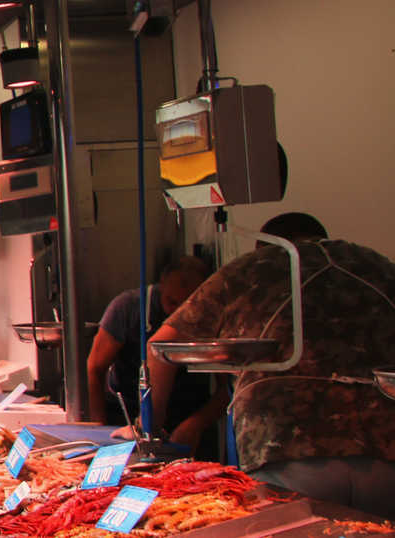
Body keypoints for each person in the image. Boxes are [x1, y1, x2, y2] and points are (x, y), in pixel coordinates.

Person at [148, 213, 395, 515]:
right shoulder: (374, 265)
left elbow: (161, 346)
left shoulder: (255, 267)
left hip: (287, 452)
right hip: (385, 456)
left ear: (262, 245)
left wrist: (152, 428)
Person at [84, 257, 215, 447]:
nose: (177, 313)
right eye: (171, 302)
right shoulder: (127, 308)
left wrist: (195, 425)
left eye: (187, 307)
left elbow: (227, 389)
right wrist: (98, 427)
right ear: (161, 286)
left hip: (189, 415)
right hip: (126, 417)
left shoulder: (212, 315)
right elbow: (95, 367)